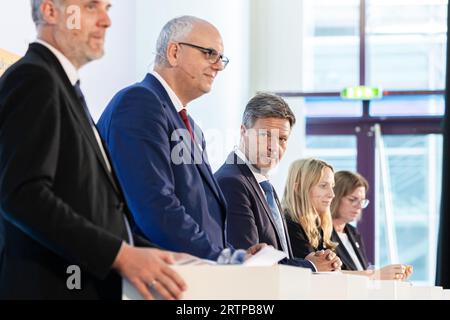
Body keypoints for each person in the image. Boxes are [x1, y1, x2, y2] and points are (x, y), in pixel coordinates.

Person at [0, 0, 186, 300]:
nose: (106, 21)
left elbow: (91, 207)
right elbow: (23, 195)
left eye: (108, 9)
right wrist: (121, 256)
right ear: (50, 11)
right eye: (90, 7)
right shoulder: (34, 78)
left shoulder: (62, 85)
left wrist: (156, 256)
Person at [97, 16, 261, 260]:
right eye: (209, 53)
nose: (217, 65)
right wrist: (218, 257)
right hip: (155, 279)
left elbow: (199, 210)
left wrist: (232, 255)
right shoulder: (139, 102)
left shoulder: (191, 126)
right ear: (174, 52)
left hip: (193, 274)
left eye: (221, 58)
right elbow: (154, 205)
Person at [215, 93, 342, 271]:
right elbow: (249, 262)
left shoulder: (265, 186)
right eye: (266, 135)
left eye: (282, 139)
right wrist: (311, 265)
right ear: (244, 132)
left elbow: (280, 254)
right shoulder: (231, 182)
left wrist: (314, 260)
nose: (274, 146)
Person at [283, 159, 411, 280]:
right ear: (298, 188)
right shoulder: (292, 225)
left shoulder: (321, 229)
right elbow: (318, 275)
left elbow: (331, 273)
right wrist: (375, 275)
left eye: (331, 187)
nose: (331, 194)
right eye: (323, 185)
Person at [331, 170, 413, 280]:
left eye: (361, 201)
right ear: (334, 197)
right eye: (352, 199)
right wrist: (377, 275)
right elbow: (328, 276)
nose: (359, 206)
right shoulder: (321, 233)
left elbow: (362, 272)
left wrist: (389, 276)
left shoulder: (353, 233)